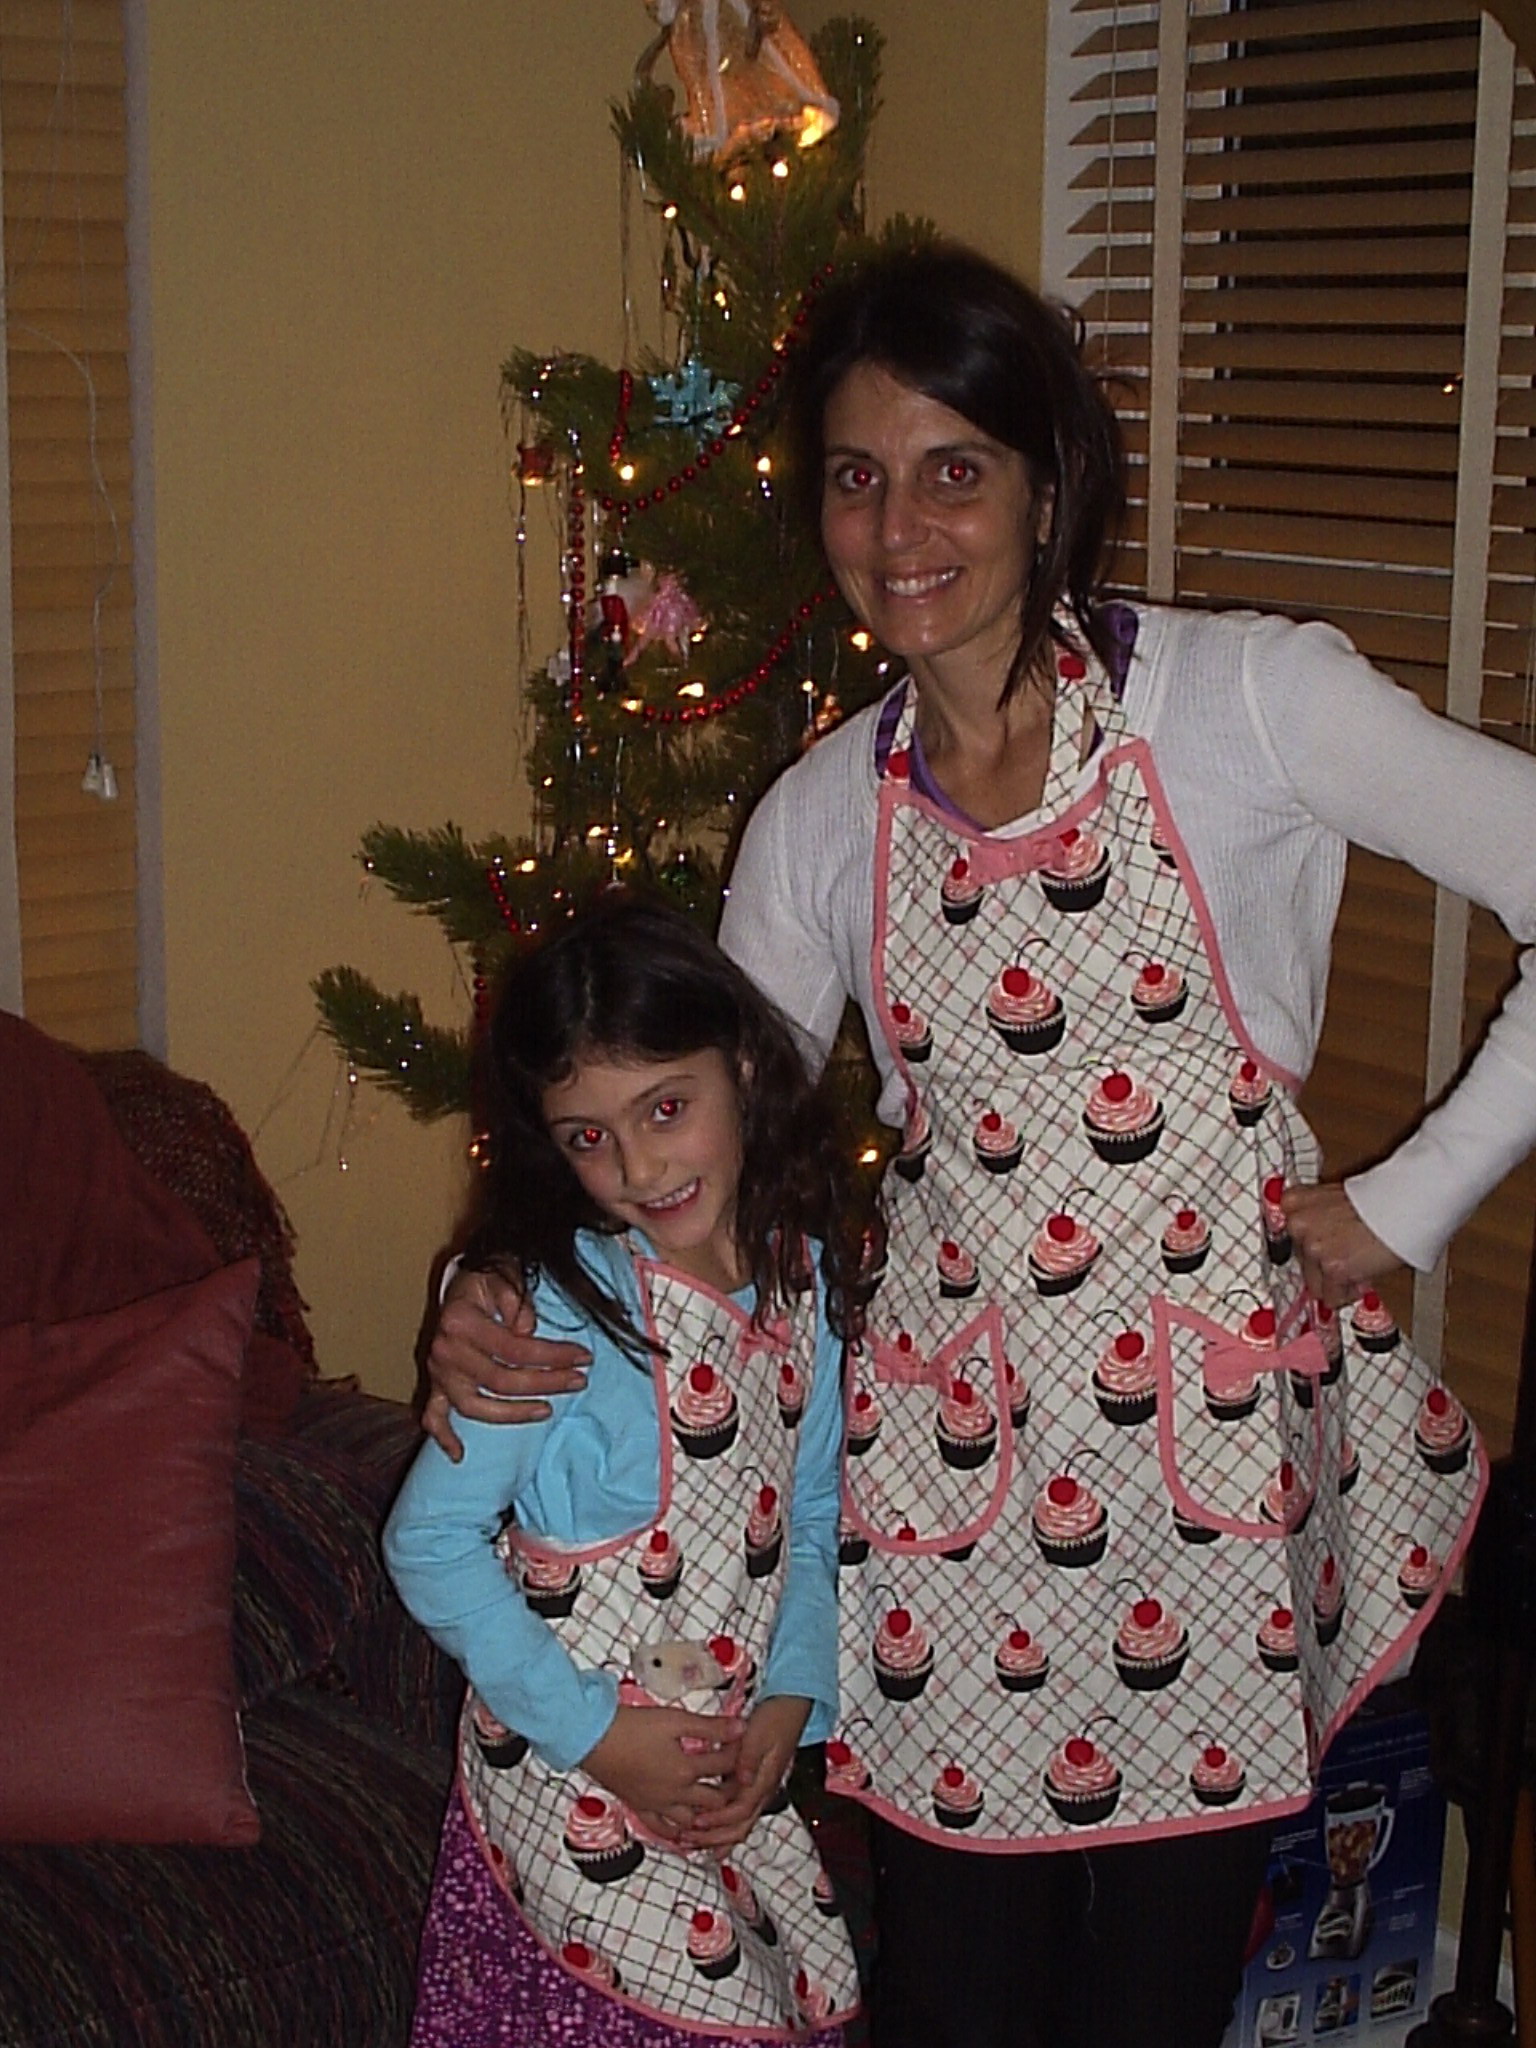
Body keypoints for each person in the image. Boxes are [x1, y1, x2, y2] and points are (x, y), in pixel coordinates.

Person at [421, 245, 1536, 2048]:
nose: (900, 525)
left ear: (1045, 476)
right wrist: (506, 1276)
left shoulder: (1250, 704)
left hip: (1207, 1477)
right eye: (857, 476)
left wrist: (1410, 1196)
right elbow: (700, 1164)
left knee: (1151, 2000)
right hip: (951, 1501)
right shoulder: (813, 819)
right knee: (956, 1993)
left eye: (954, 466)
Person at [384, 896, 867, 2046]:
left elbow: (809, 1515)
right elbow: (430, 1542)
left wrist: (789, 1708)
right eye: (588, 1136)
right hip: (571, 1791)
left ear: (743, 1062)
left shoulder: (808, 1277)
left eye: (666, 1107)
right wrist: (596, 1733)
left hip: (725, 1781)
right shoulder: (543, 1314)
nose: (640, 1164)